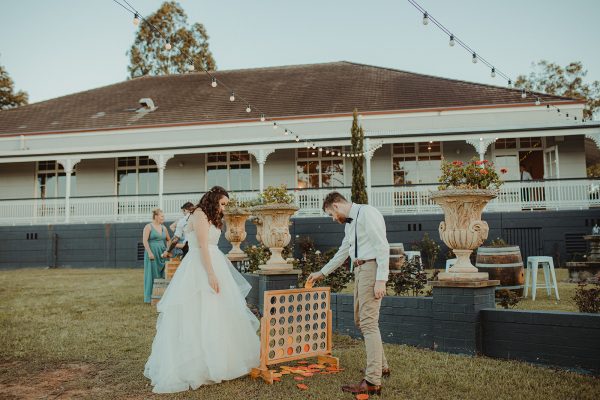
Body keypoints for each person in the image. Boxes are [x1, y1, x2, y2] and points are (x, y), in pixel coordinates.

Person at [144, 186, 260, 393]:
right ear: (212, 200)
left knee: (219, 311)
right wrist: (210, 274)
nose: (224, 208)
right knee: (199, 309)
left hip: (215, 261)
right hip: (200, 265)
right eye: (222, 204)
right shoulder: (199, 214)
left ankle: (222, 359)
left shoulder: (213, 216)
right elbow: (203, 246)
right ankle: (198, 364)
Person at [307, 192, 390, 396]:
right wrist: (321, 273)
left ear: (336, 206)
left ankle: (372, 380)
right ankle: (381, 366)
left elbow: (382, 246)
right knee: (360, 321)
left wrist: (381, 279)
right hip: (360, 270)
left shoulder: (367, 213)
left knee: (369, 322)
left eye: (330, 214)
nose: (333, 219)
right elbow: (343, 252)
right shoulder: (349, 224)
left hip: (372, 269)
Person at [142, 208, 170, 304]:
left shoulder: (164, 228)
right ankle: (149, 297)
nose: (163, 218)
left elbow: (168, 240)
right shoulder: (148, 227)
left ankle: (161, 296)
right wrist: (149, 252)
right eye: (162, 216)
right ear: (156, 216)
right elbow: (145, 241)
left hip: (162, 253)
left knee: (163, 274)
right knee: (151, 274)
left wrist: (168, 250)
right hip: (152, 253)